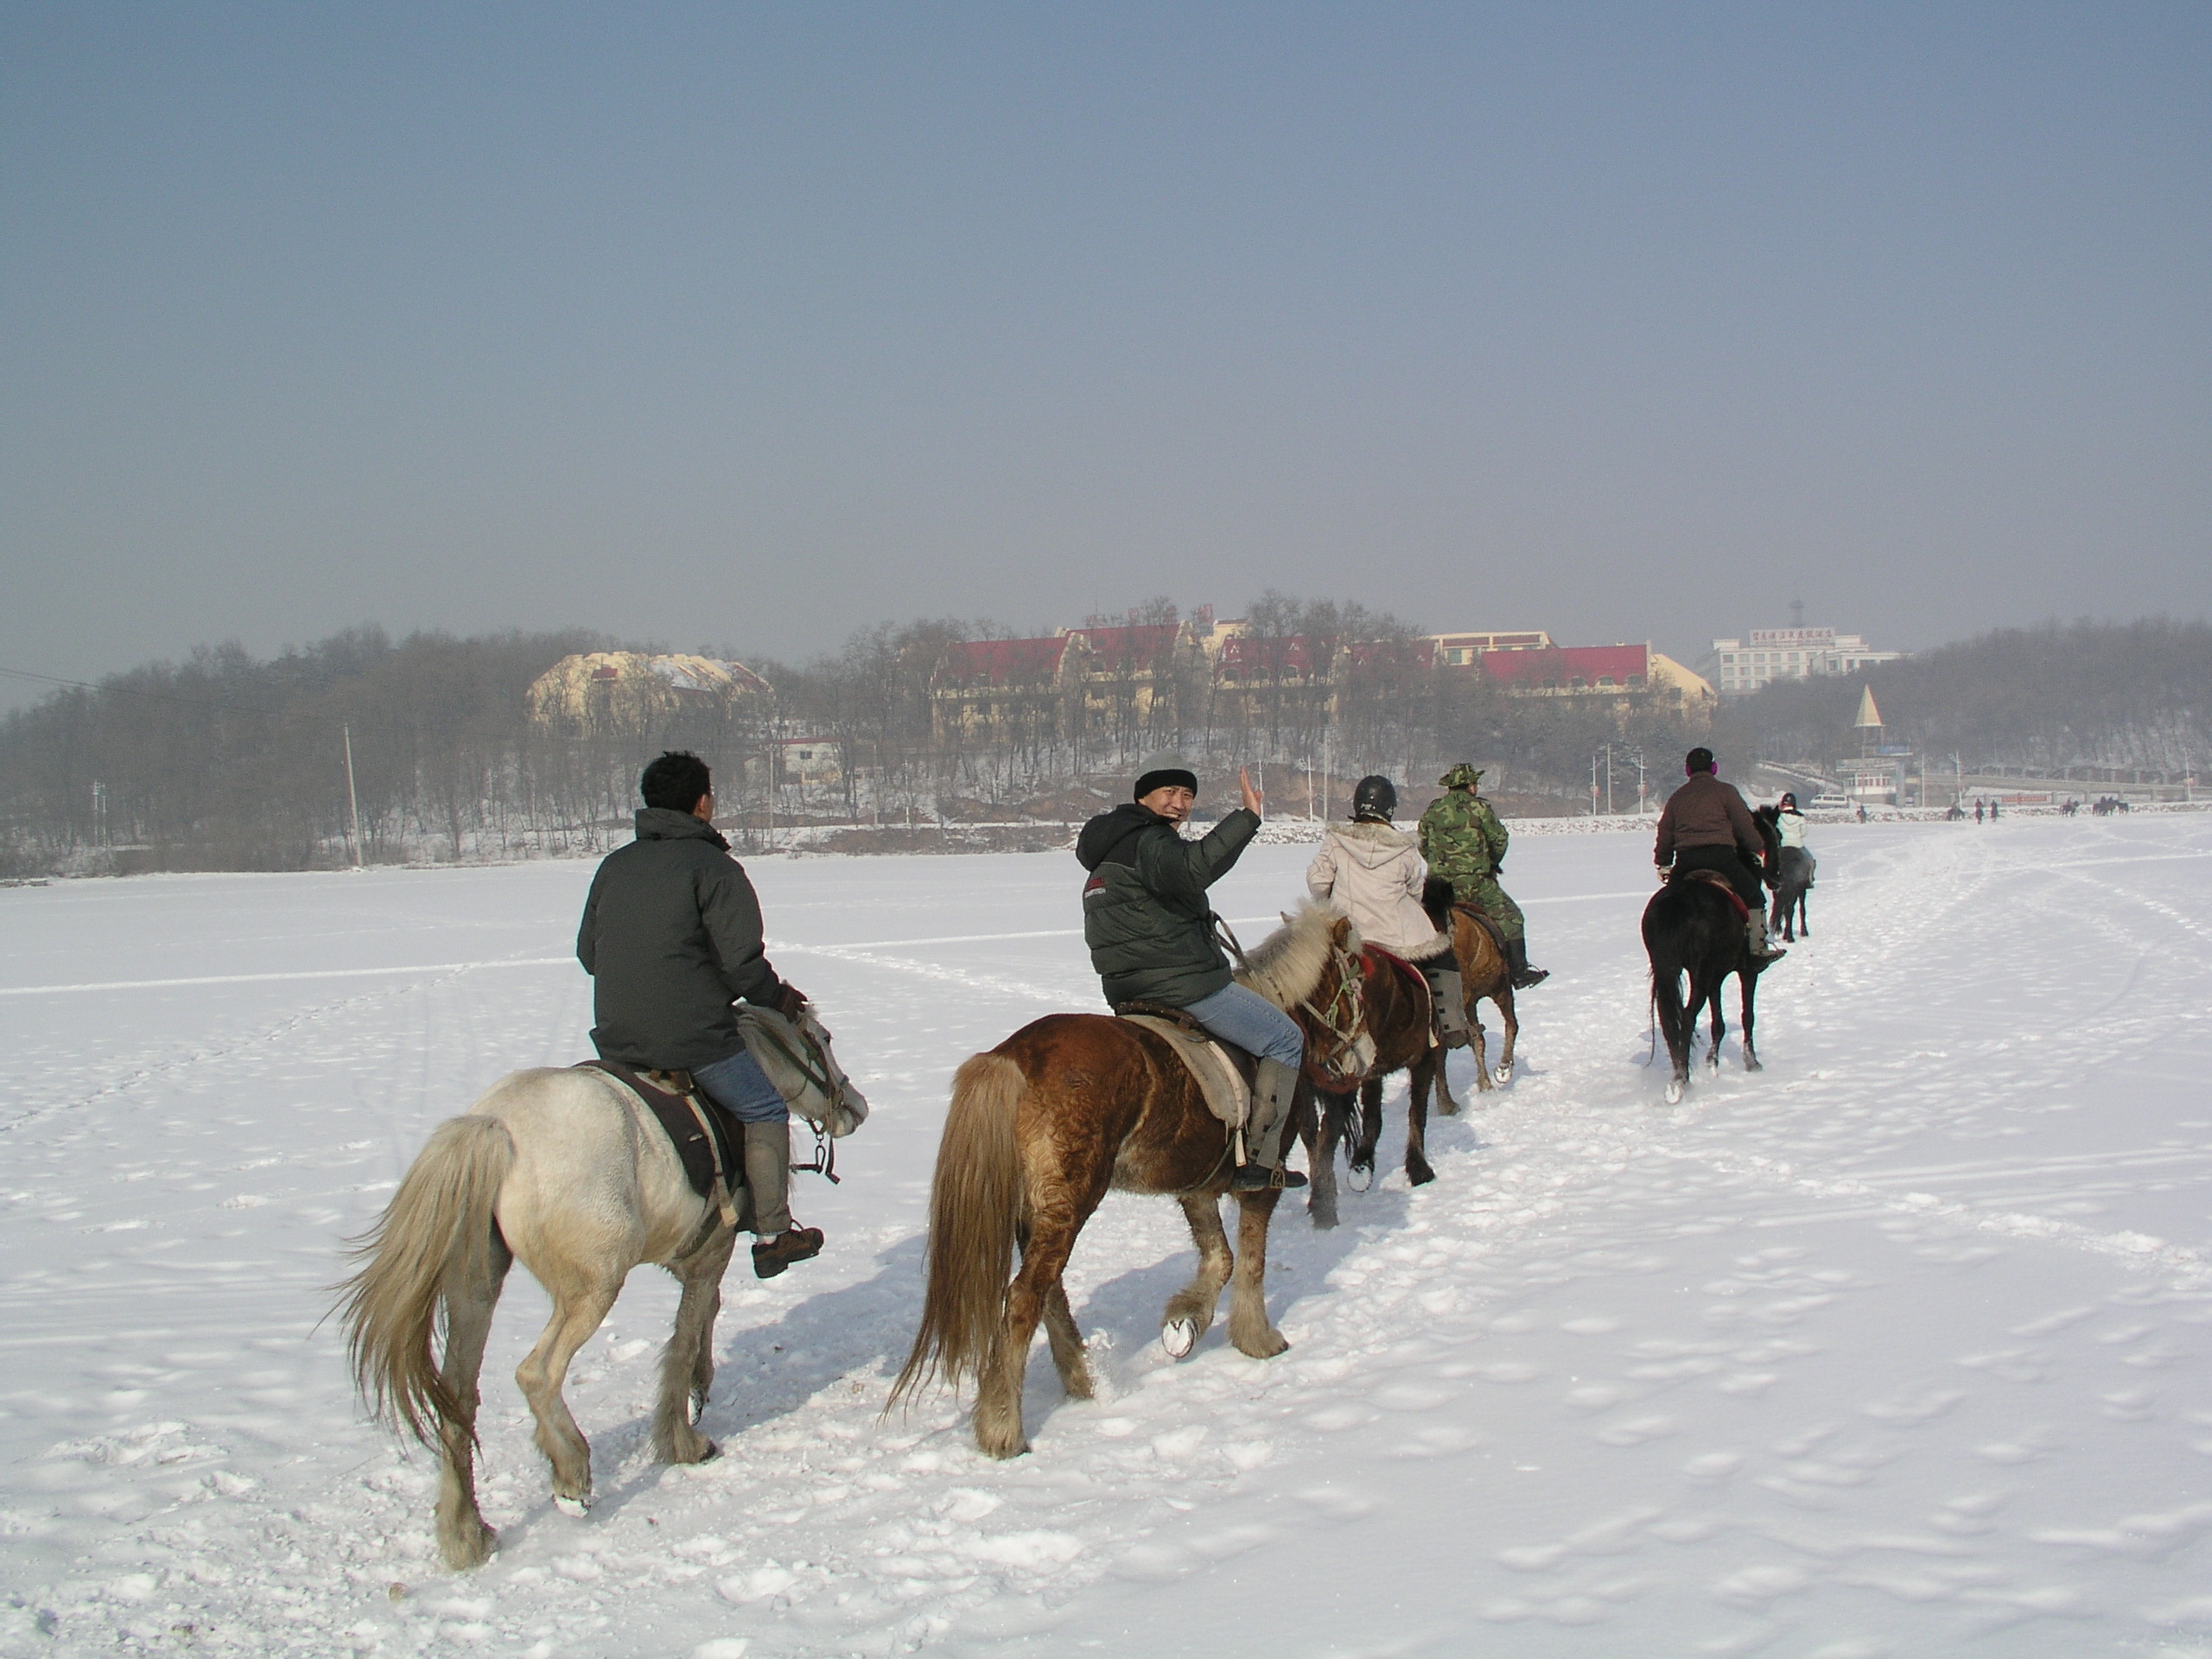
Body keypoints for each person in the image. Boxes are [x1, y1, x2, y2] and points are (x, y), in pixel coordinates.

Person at [576, 751, 824, 1279]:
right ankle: (773, 1233)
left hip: (616, 1041)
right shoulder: (714, 868)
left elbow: (587, 956)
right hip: (692, 1039)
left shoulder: (613, 866)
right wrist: (775, 997)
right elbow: (741, 964)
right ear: (703, 803)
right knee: (763, 1108)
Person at [1077, 753, 1306, 1192]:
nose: (1179, 804)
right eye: (1169, 793)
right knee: (1285, 1038)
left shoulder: (1108, 855)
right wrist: (1248, 818)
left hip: (1126, 992)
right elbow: (1194, 867)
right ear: (1142, 798)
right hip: (1184, 987)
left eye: (1187, 796)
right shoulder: (1151, 841)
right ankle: (1261, 1162)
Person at [1306, 775, 1471, 1050]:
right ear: (1390, 808)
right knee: (1443, 955)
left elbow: (1317, 882)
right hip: (1395, 937)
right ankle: (1452, 1024)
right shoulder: (1404, 846)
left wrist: (1330, 901)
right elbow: (1416, 892)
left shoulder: (1336, 839)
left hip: (1347, 934)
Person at [1417, 764, 1548, 988]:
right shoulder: (1480, 808)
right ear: (1470, 786)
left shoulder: (1433, 810)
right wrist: (1491, 863)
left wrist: (1440, 865)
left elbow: (1422, 842)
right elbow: (1499, 840)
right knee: (1512, 917)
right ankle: (1519, 972)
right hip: (1474, 884)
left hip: (1439, 888)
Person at [1652, 747, 1785, 960]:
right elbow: (1744, 825)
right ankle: (1758, 949)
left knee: (1670, 902)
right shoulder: (1726, 792)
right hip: (1722, 859)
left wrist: (1663, 862)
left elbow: (1665, 832)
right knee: (1755, 896)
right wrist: (1757, 846)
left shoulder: (1677, 798)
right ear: (1714, 768)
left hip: (1686, 862)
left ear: (1688, 770)